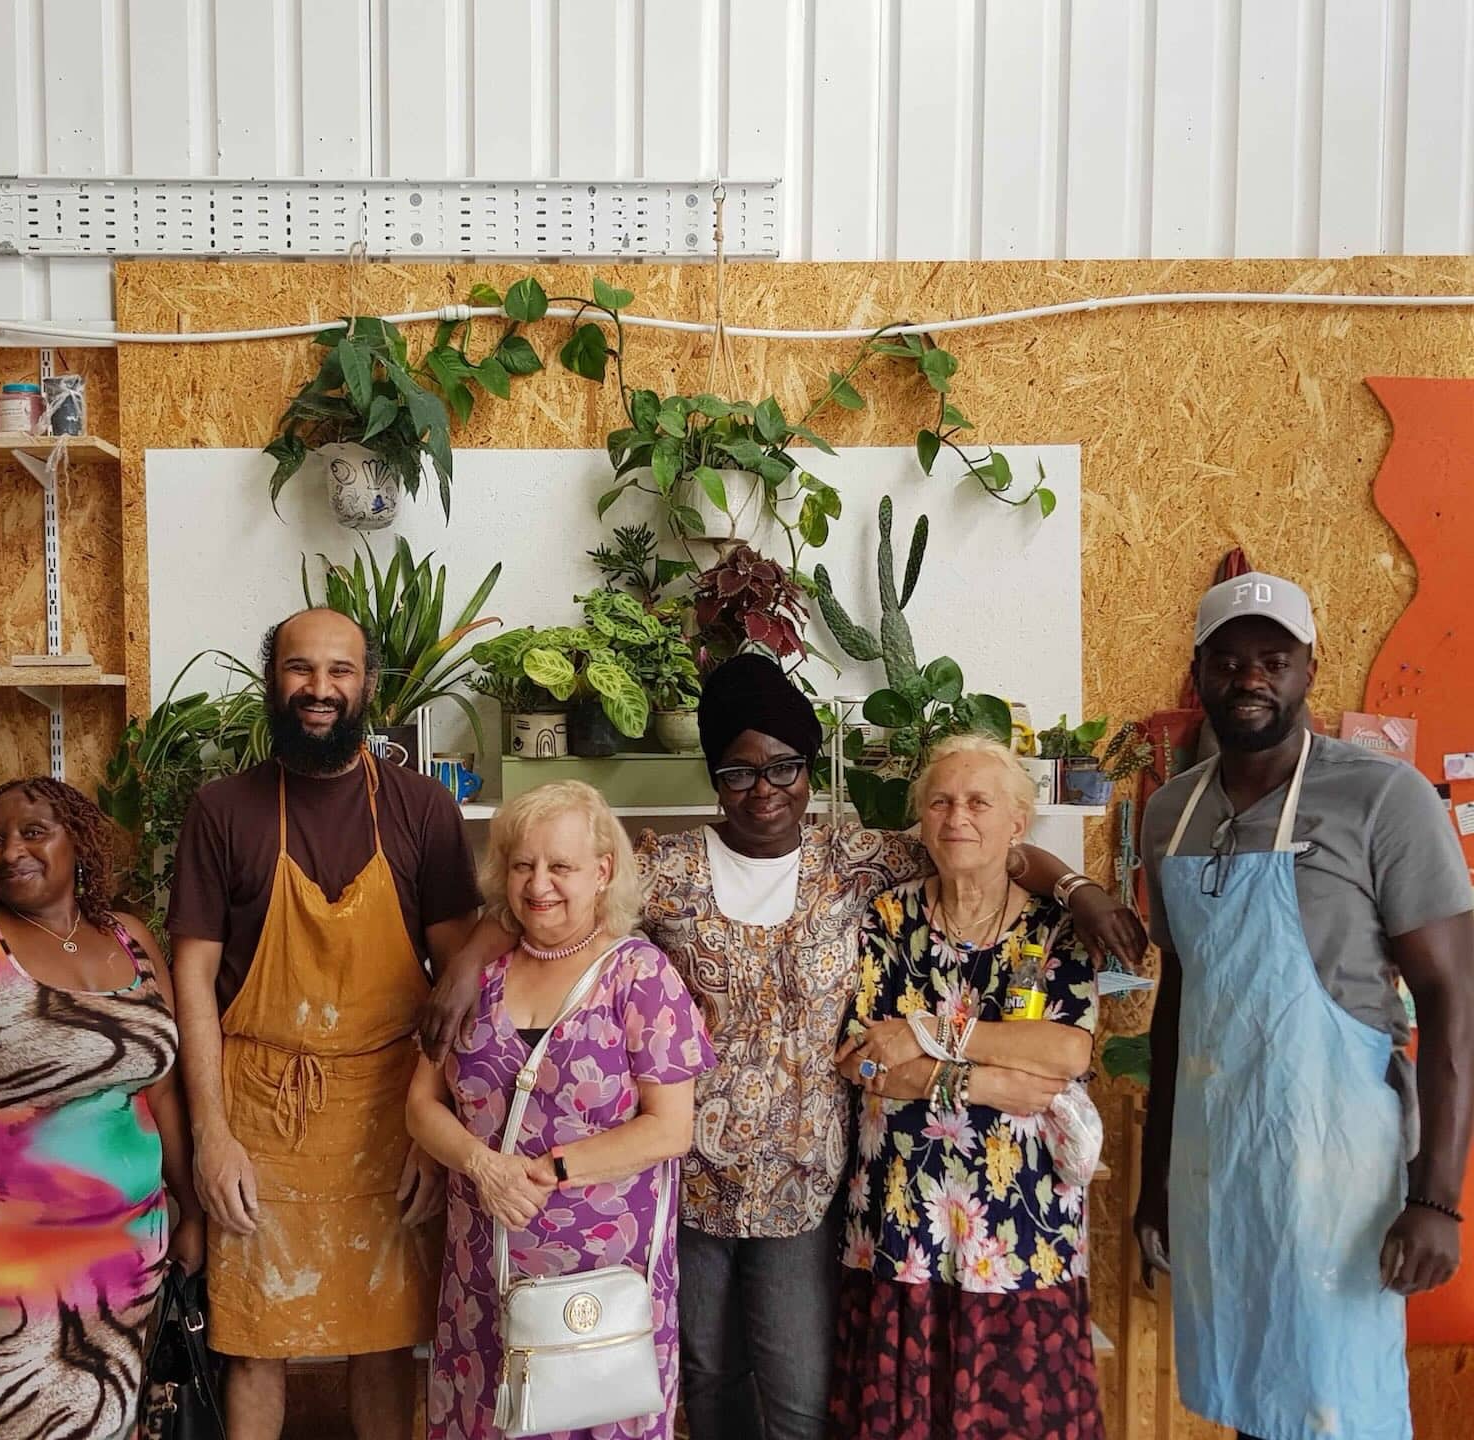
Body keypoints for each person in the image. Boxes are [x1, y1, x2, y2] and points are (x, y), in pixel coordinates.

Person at [420, 653, 1145, 1440]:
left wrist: (1080, 888)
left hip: (807, 1180)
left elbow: (987, 848)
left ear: (808, 770)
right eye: (738, 772)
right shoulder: (670, 870)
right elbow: (553, 896)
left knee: (800, 1394)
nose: (763, 791)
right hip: (686, 1179)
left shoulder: (855, 860)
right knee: (708, 1381)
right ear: (715, 779)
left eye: (784, 768)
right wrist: (466, 963)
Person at [1135, 574, 1474, 1440]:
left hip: (1341, 1177)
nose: (1251, 677)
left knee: (1335, 1406)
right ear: (1200, 670)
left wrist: (1436, 1196)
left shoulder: (1382, 799)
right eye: (1230, 659)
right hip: (1222, 1168)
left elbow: (1451, 994)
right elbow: (1182, 995)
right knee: (1252, 1398)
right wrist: (1157, 1180)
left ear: (1310, 668)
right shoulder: (1171, 813)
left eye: (1274, 659)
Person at [168, 608, 484, 1440]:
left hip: (389, 1112)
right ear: (271, 681)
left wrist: (434, 1125)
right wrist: (213, 1137)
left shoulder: (420, 808)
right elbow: (192, 983)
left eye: (339, 672)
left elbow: (461, 981)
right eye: (301, 670)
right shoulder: (222, 809)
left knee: (382, 1344)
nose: (320, 689)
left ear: (367, 685)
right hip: (259, 1114)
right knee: (254, 1344)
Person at [0, 776, 201, 1440]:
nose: (12, 853)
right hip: (4, 1273)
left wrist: (191, 1210)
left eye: (34, 832)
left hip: (125, 1264)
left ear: (79, 843)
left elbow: (163, 1089)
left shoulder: (132, 940)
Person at [405, 781, 715, 1439]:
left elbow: (671, 1128)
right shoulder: (476, 980)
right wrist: (483, 1167)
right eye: (522, 864)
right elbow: (420, 1106)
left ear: (602, 872)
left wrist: (548, 1169)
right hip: (482, 1283)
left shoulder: (640, 977)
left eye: (561, 866)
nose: (538, 883)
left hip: (599, 1297)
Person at [831, 735, 1101, 1440]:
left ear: (1018, 823)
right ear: (920, 819)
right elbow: (863, 1061)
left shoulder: (1056, 931)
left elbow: (1067, 1050)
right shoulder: (886, 921)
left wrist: (928, 1033)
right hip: (903, 1218)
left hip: (1023, 1222)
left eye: (979, 801)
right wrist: (993, 1081)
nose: (958, 817)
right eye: (941, 801)